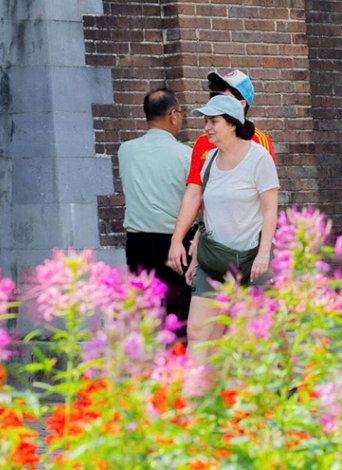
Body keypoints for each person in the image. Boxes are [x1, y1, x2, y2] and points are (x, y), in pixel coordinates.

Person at [172, 95, 279, 362]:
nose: (207, 127)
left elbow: (269, 210)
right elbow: (207, 211)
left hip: (252, 260)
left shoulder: (259, 158)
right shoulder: (209, 160)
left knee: (261, 333)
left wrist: (265, 253)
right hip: (213, 261)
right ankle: (198, 398)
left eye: (213, 121)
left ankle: (283, 390)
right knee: (197, 332)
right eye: (206, 121)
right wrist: (196, 255)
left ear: (232, 124)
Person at [168, 70, 276, 276]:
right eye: (212, 97)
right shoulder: (203, 144)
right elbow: (195, 195)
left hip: (248, 252)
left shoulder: (259, 143)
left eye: (221, 97)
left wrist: (263, 252)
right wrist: (182, 239)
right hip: (213, 250)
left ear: (240, 105)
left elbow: (266, 204)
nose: (213, 102)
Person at [118, 88, 193, 341]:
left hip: (138, 243)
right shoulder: (187, 155)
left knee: (145, 316)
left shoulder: (126, 151)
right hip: (175, 243)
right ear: (173, 115)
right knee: (178, 317)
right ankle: (177, 372)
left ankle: (147, 373)